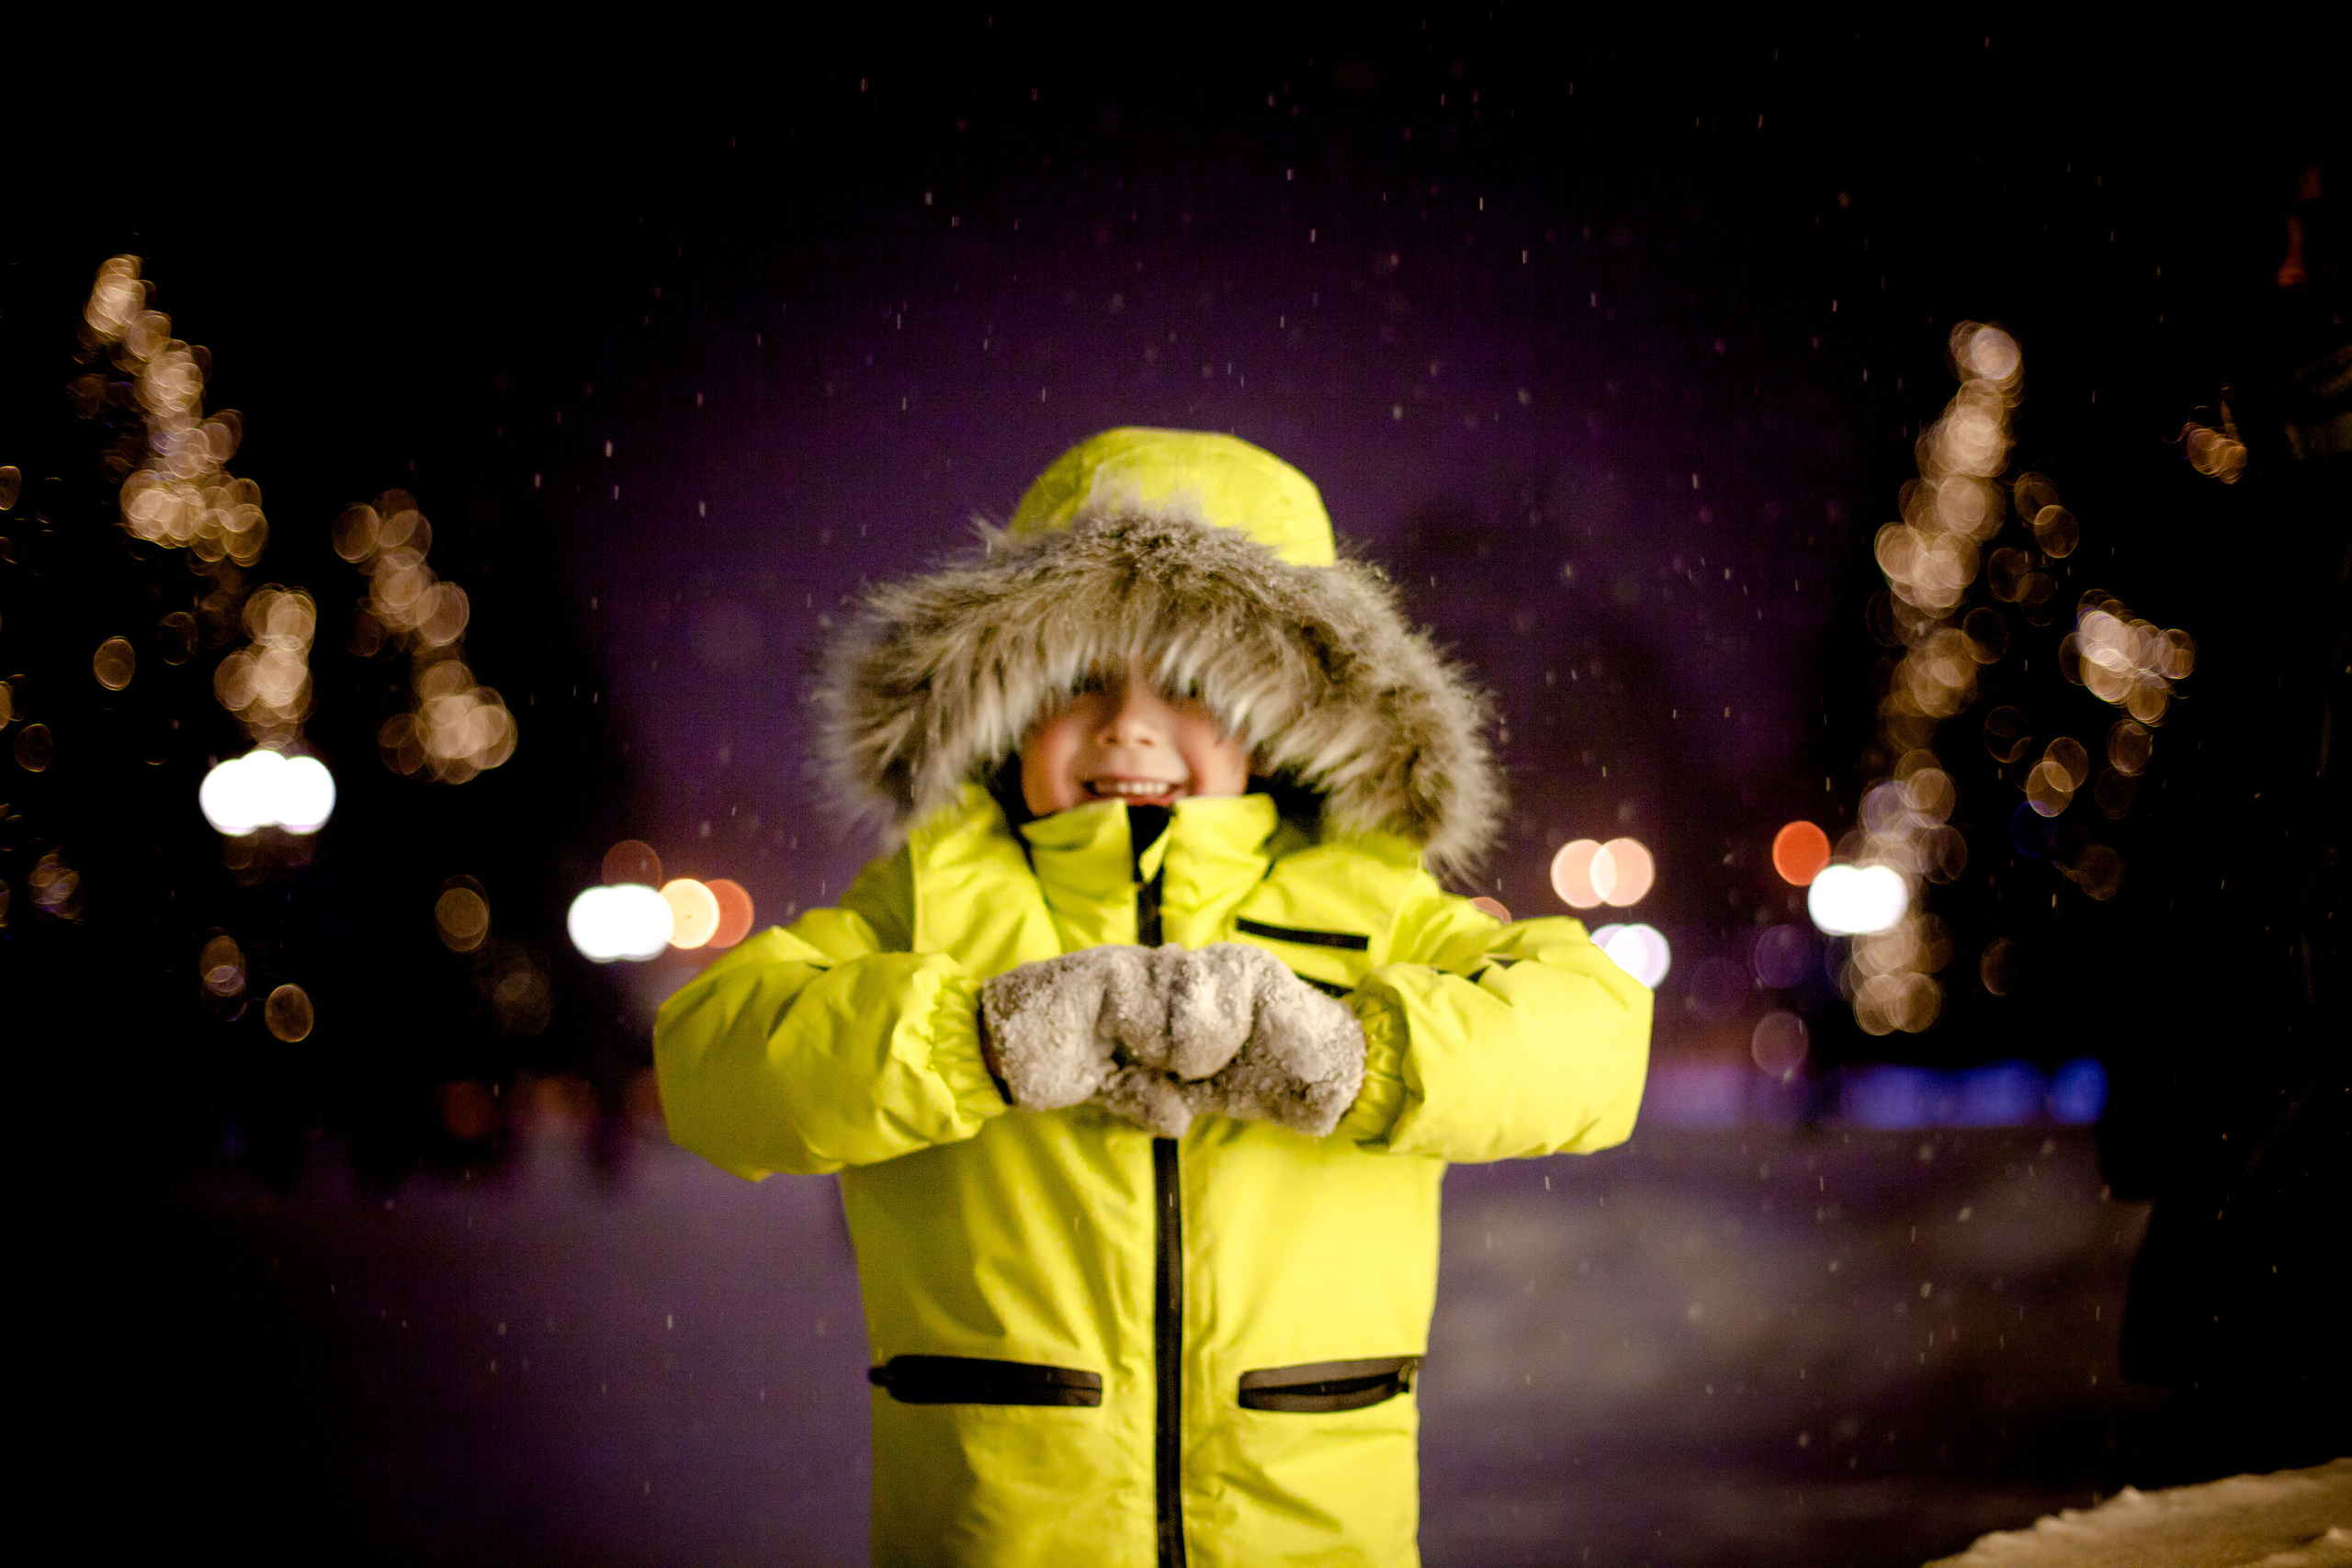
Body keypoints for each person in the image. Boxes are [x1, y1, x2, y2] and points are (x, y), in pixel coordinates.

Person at [654, 428, 1652, 1566]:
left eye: (1187, 686)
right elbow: (711, 1065)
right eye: (1079, 682)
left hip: (1313, 1535)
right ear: (1008, 702)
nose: (1127, 727)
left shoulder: (1370, 905)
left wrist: (1354, 1055)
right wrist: (969, 1044)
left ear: (1283, 715)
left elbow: (1596, 1038)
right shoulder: (939, 903)